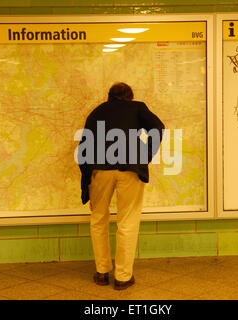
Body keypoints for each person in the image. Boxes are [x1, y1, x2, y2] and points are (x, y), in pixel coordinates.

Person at [77, 82, 165, 290]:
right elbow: (158, 127)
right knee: (127, 221)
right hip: (130, 169)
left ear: (109, 97)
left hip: (100, 170)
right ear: (131, 98)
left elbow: (84, 148)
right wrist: (145, 154)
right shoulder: (137, 108)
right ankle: (123, 277)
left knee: (98, 218)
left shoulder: (98, 111)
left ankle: (101, 273)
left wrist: (86, 185)